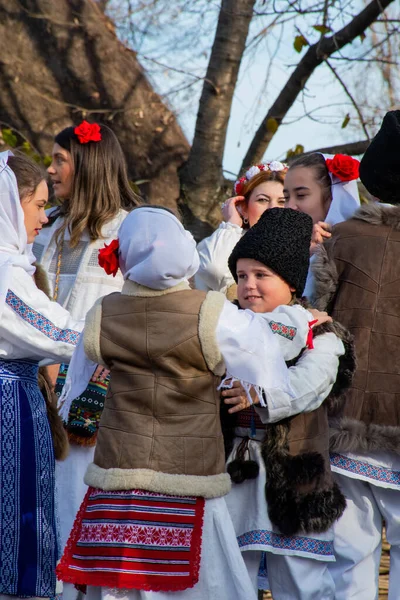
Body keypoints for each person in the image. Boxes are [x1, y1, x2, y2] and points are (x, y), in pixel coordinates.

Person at [55, 206, 330, 600]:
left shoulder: (103, 313)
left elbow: (77, 383)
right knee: (201, 579)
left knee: (117, 578)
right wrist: (301, 325)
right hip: (185, 471)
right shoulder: (210, 314)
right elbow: (266, 351)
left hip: (118, 468)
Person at [221, 208, 355, 599]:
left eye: (262, 275)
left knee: (302, 580)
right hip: (235, 471)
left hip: (296, 473)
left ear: (291, 281)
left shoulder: (317, 330)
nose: (249, 285)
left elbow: (313, 381)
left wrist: (261, 393)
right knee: (231, 573)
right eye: (242, 275)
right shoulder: (226, 325)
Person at [33, 120, 140, 600]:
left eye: (60, 160)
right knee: (48, 510)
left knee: (89, 513)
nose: (51, 170)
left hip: (100, 396)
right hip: (44, 387)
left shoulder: (131, 229)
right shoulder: (50, 228)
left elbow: (143, 312)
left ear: (90, 165)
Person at [312, 110, 400, 600]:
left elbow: (309, 328)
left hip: (348, 424)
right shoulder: (338, 241)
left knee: (350, 562)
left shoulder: (337, 243)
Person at [0, 150, 84, 598]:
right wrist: (128, 332)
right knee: (14, 518)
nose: (43, 218)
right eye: (37, 206)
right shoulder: (4, 273)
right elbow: (56, 332)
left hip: (17, 391)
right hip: (7, 401)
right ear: (10, 204)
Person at [195, 161, 287, 296]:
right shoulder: (215, 246)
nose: (273, 209)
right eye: (262, 200)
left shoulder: (309, 246)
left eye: (282, 201)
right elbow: (214, 269)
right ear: (243, 207)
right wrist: (232, 224)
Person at [283, 152, 361, 297]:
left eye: (301, 195)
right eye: (286, 197)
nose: (290, 206)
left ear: (333, 197)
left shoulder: (361, 249)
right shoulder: (280, 249)